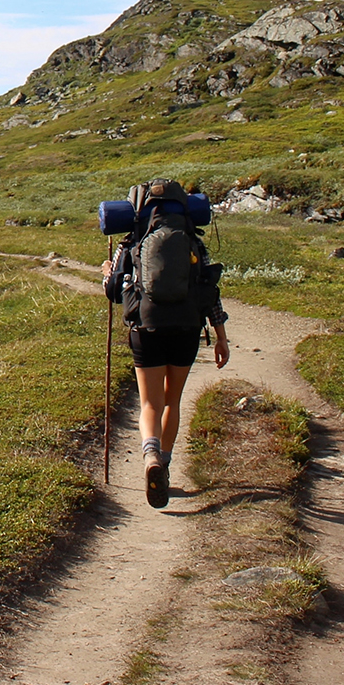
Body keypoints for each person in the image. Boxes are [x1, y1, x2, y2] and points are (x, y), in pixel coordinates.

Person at [101, 179, 230, 509]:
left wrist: (106, 271)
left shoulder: (133, 240)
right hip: (187, 326)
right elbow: (208, 289)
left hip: (147, 326)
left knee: (150, 404)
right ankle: (166, 465)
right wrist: (220, 337)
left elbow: (114, 290)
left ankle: (150, 458)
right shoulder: (191, 240)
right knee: (172, 400)